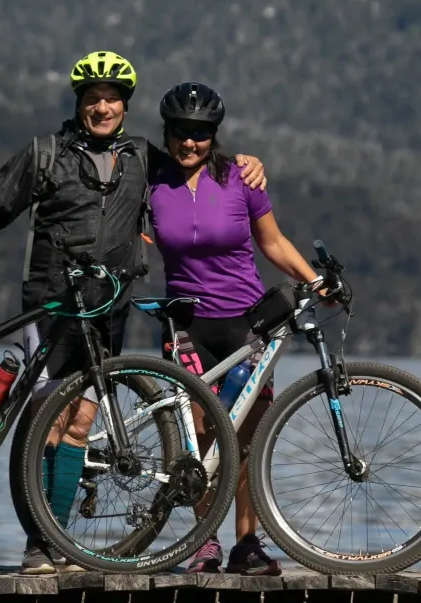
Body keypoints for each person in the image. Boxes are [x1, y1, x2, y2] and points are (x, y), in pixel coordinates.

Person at [0, 52, 267, 574]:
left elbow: (195, 160)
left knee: (82, 424)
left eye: (112, 99)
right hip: (51, 304)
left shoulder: (142, 159)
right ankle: (39, 547)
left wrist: (247, 162)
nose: (103, 107)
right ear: (79, 104)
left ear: (125, 109)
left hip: (106, 310)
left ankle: (57, 541)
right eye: (93, 100)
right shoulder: (46, 155)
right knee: (53, 419)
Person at [149, 81, 325, 576]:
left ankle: (247, 543)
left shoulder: (241, 179)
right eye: (182, 133)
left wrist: (314, 281)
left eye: (201, 134)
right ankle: (204, 542)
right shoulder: (152, 181)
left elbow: (272, 243)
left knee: (246, 436)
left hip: (246, 323)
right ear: (167, 133)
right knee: (199, 437)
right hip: (184, 323)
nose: (190, 142)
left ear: (214, 136)